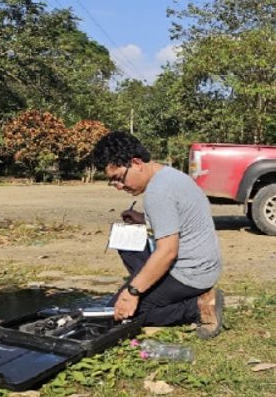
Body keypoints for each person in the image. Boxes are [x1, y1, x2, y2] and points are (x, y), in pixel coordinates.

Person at [91, 130, 225, 338]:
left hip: (191, 273)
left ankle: (197, 307)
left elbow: (168, 252)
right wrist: (142, 218)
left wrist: (132, 293)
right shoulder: (169, 175)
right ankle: (148, 284)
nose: (119, 186)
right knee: (126, 242)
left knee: (118, 314)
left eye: (118, 178)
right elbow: (176, 218)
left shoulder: (158, 192)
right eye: (113, 182)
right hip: (205, 263)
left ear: (136, 163)